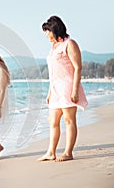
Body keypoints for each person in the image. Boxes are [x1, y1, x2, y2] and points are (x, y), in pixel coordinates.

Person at [38, 16, 88, 162]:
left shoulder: (70, 44)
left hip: (67, 87)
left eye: (48, 32)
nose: (47, 36)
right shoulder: (53, 47)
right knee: (52, 121)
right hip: (55, 90)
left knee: (68, 120)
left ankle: (68, 152)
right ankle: (51, 152)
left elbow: (78, 68)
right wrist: (49, 92)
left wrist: (75, 90)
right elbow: (53, 73)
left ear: (55, 29)